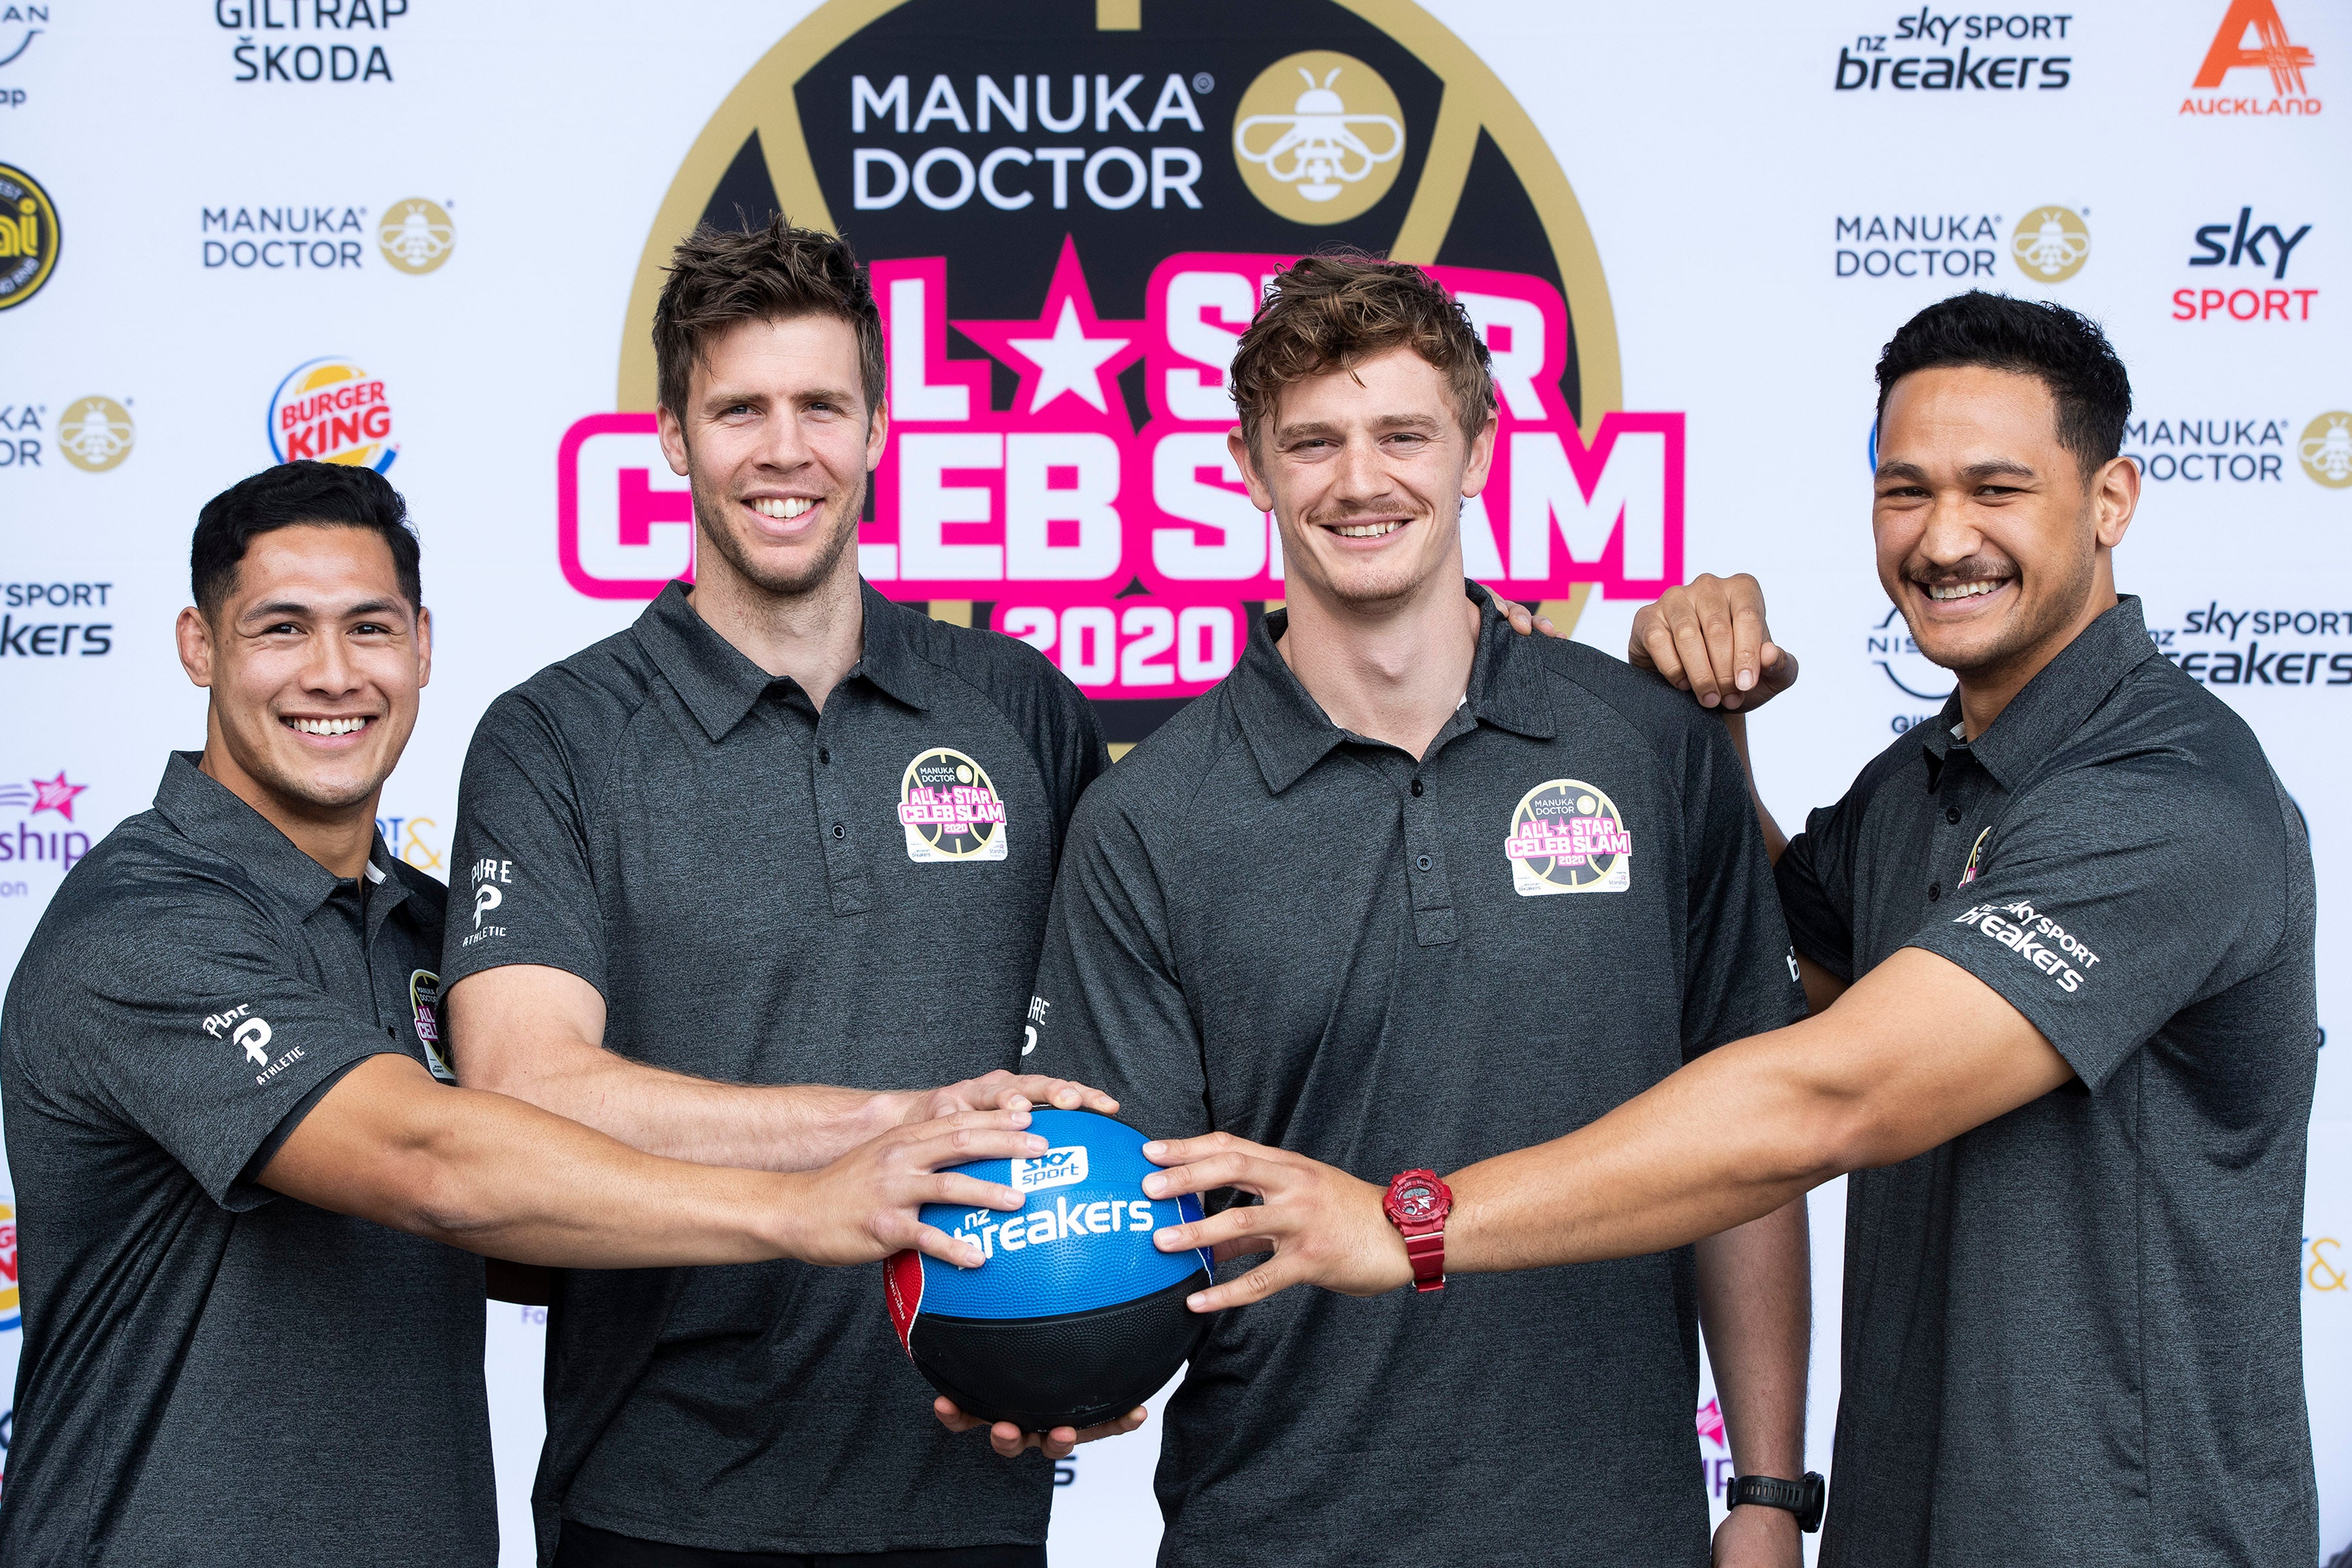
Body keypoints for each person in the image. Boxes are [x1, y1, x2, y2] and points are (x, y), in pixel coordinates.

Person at [1143, 291, 2321, 1565]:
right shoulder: (1919, 786)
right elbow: (1761, 968)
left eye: (1998, 489)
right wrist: (1691, 733)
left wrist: (1408, 1222)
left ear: (2111, 501)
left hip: (2124, 1538)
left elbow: (1828, 1093)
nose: (1944, 539)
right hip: (1908, 1524)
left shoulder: (2169, 793)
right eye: (1906, 492)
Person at [0, 461, 1066, 1568]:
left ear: (421, 646)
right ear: (198, 646)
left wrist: (1034, 1325)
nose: (332, 674)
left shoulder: (427, 934)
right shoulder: (142, 922)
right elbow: (430, 1163)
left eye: (369, 628)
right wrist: (813, 1196)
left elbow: (546, 1230)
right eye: (281, 629)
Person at [1011, 253, 1814, 1566]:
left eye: (1402, 435)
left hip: (1617, 1533)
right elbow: (1118, 1216)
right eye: (1313, 442)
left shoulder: (1647, 747)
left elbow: (1753, 1136)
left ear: (1479, 450)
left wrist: (1769, 1493)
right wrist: (1043, 1369)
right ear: (1249, 468)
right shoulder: (1148, 819)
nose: (1360, 480)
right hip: (1277, 1535)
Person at [439, 215, 1127, 1568]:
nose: (785, 448)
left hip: (969, 1487)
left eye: (822, 405)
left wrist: (1102, 1327)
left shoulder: (1023, 708)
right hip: (659, 1496)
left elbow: (1113, 1071)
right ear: (673, 438)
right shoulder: (557, 737)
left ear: (879, 429)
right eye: (738, 409)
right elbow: (524, 1087)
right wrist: (882, 1126)